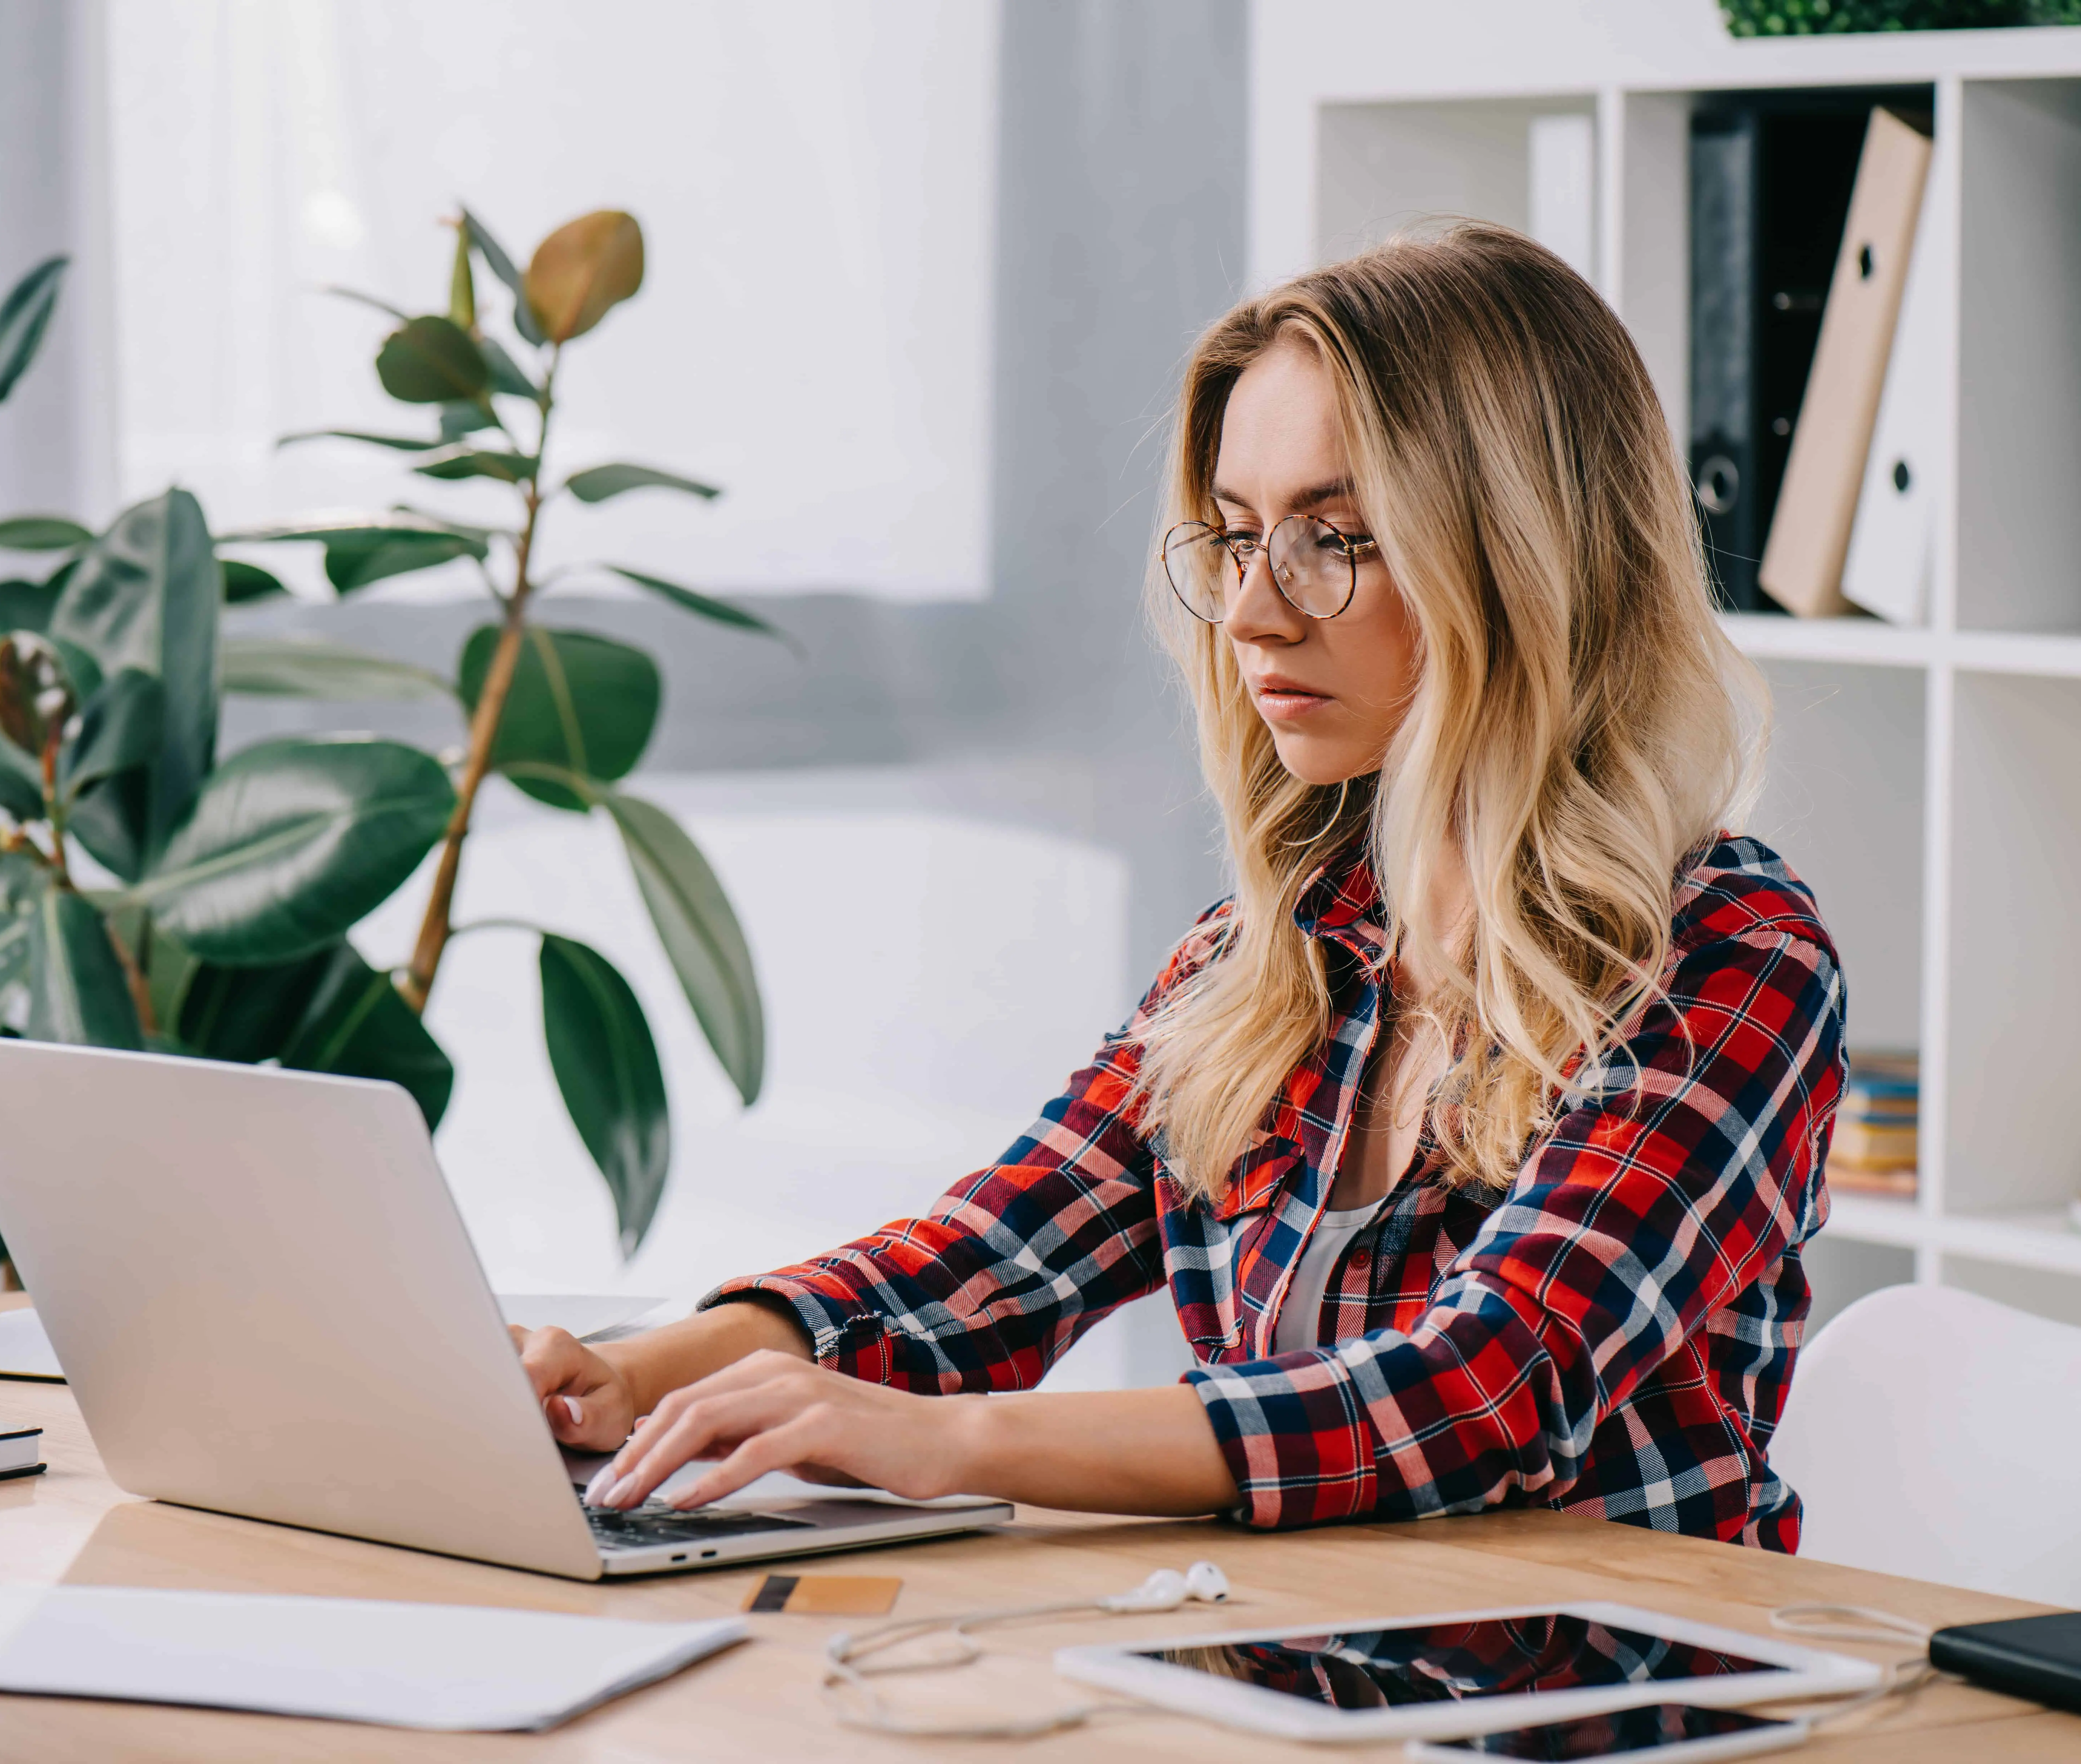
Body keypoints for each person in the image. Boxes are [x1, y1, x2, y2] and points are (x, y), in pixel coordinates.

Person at [518, 223, 1846, 1549]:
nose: (1257, 612)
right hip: (1299, 1670)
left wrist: (953, 1446)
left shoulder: (1726, 957)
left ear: (1517, 560)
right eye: (1233, 538)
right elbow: (986, 1266)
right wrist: (636, 1375)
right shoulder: (1274, 959)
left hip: (1612, 1705)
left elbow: (1486, 1387)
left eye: (1337, 539)